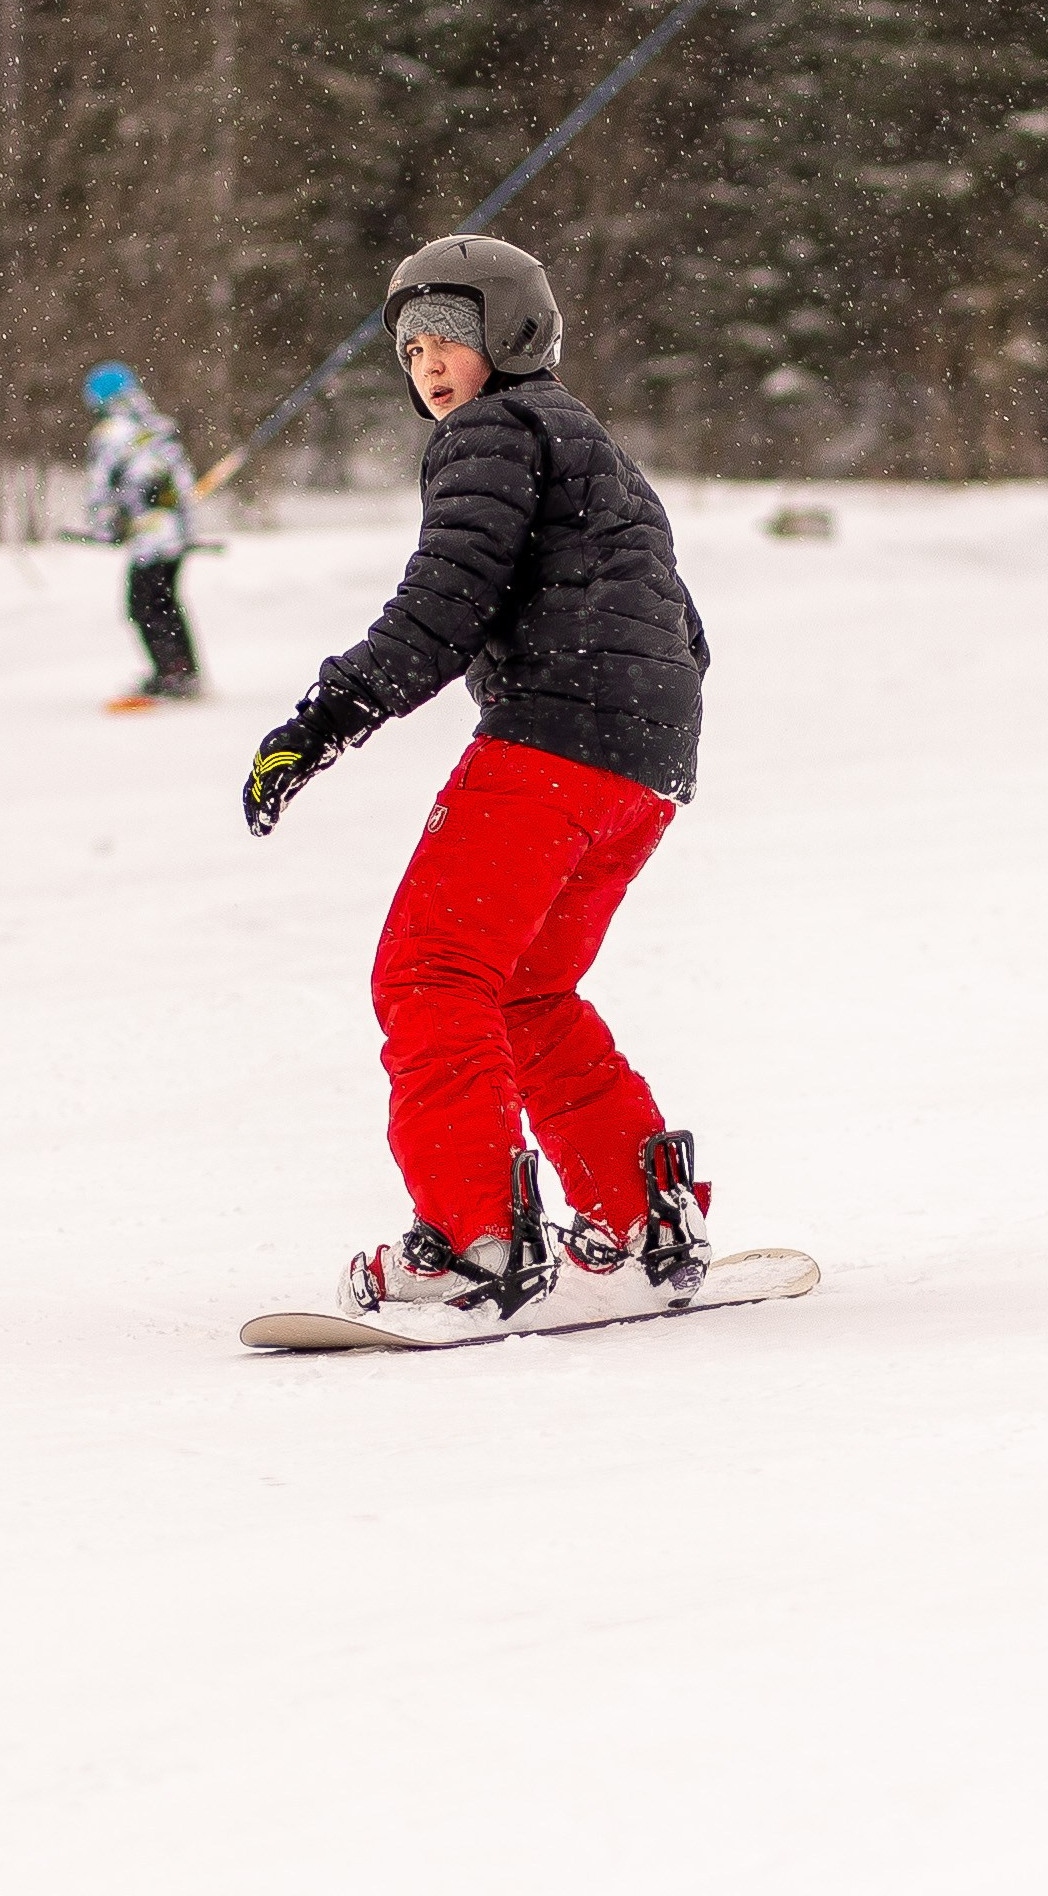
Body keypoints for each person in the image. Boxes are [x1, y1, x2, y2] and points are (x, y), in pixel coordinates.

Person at [241, 234, 712, 1322]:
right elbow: (677, 618)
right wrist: (638, 733)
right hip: (643, 768)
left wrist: (325, 717)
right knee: (528, 991)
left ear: (510, 331)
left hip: (552, 747)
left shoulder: (494, 433)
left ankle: (472, 1238)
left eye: (449, 333)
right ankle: (641, 1212)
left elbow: (443, 599)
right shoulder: (587, 440)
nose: (428, 364)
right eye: (408, 348)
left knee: (429, 975)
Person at [81, 363, 204, 701]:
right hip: (174, 534)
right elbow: (183, 483)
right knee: (166, 601)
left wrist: (105, 527)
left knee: (143, 604)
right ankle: (183, 670)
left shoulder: (111, 434)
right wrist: (185, 529)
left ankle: (171, 673)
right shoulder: (159, 427)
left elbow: (101, 490)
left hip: (148, 537)